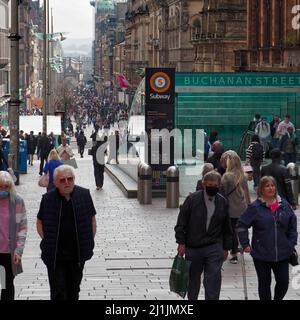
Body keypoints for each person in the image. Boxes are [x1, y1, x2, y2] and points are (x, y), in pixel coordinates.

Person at [36, 165, 97, 300]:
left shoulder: (84, 195)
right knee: (58, 291)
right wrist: (46, 240)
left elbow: (92, 220)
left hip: (77, 255)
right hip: (55, 255)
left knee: (74, 289)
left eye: (70, 179)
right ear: (56, 183)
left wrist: (89, 240)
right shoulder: (48, 198)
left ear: (74, 179)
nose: (67, 183)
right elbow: (39, 222)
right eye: (62, 180)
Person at [174, 170, 233, 300]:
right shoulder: (192, 199)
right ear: (203, 184)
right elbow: (181, 222)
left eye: (215, 185)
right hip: (194, 246)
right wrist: (181, 242)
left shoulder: (222, 202)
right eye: (209, 184)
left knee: (213, 279)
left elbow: (227, 226)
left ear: (219, 186)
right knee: (193, 279)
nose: (212, 187)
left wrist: (226, 247)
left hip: (214, 245)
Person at [237, 176, 297, 300]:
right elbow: (241, 225)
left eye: (272, 185)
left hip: (282, 252)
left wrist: (291, 243)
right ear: (261, 189)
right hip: (261, 253)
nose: (271, 188)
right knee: (264, 283)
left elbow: (292, 225)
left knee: (283, 282)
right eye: (267, 186)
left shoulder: (284, 205)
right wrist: (245, 244)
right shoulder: (255, 207)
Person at [0, 171, 27, 300]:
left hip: (8, 252)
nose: (3, 189)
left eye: (6, 186)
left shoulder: (17, 202)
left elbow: (22, 227)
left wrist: (19, 250)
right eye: (0, 186)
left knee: (6, 284)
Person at [220, 151, 251, 264]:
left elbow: (223, 194)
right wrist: (249, 206)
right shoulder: (243, 175)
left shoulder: (227, 176)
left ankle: (234, 253)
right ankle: (244, 245)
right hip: (242, 208)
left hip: (231, 209)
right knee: (242, 229)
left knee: (232, 231)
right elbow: (246, 193)